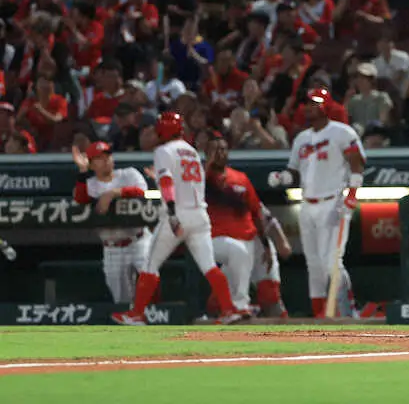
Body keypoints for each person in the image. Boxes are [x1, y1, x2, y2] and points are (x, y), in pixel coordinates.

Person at [112, 112, 247, 325]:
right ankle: (229, 309)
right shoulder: (192, 152)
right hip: (199, 214)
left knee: (150, 264)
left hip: (177, 213)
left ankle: (137, 313)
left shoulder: (163, 150)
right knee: (209, 266)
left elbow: (167, 182)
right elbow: (187, 180)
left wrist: (172, 211)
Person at [268, 87, 365, 317]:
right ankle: (320, 312)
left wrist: (352, 194)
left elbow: (357, 163)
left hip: (333, 201)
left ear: (326, 106)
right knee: (313, 263)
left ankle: (347, 309)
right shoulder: (301, 138)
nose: (310, 107)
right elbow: (294, 172)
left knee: (331, 260)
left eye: (315, 103)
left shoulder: (342, 132)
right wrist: (282, 178)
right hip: (307, 203)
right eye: (308, 103)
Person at [206, 132, 289, 318]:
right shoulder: (201, 178)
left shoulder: (240, 178)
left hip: (251, 240)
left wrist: (266, 245)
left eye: (223, 149)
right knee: (216, 304)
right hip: (221, 243)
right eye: (215, 150)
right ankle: (239, 309)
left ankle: (282, 331)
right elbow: (192, 191)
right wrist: (207, 165)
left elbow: (257, 212)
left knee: (270, 296)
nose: (220, 153)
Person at [71, 141, 149, 305]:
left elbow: (147, 193)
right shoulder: (90, 185)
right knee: (121, 300)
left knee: (150, 279)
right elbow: (80, 199)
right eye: (99, 158)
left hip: (139, 240)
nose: (106, 160)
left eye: (107, 156)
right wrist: (82, 171)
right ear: (91, 165)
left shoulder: (129, 174)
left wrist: (115, 192)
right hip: (112, 247)